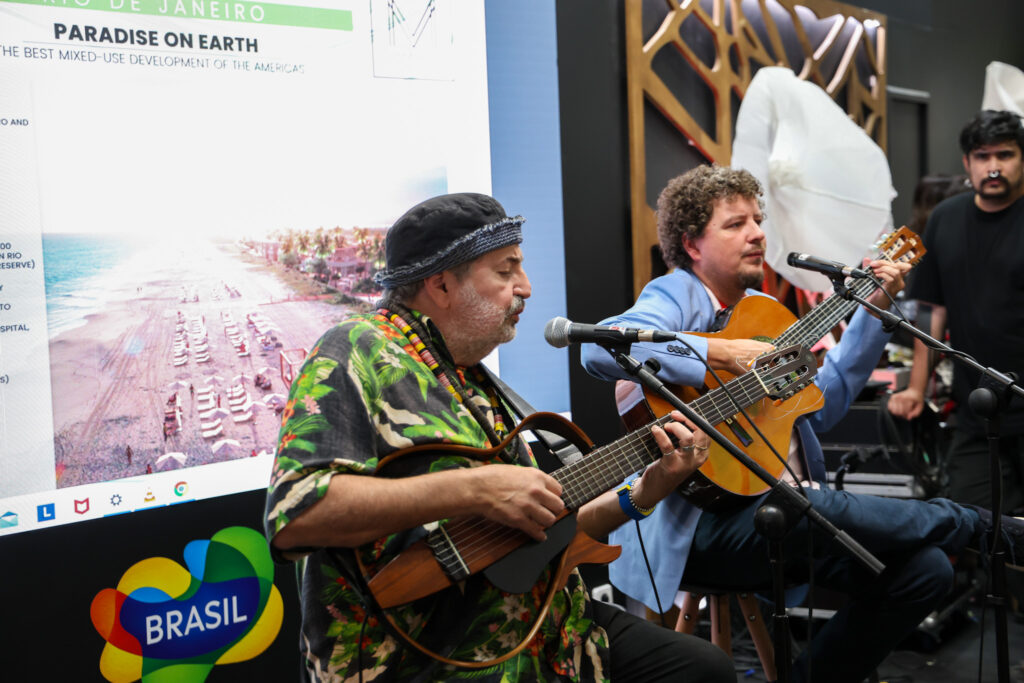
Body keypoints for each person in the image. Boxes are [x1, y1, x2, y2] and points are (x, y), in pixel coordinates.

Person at [263, 193, 735, 682]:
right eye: (506, 270)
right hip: (431, 658)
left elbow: (541, 535)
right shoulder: (355, 349)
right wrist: (478, 489)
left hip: (551, 632)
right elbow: (296, 515)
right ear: (442, 284)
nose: (526, 287)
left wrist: (647, 490)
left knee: (703, 669)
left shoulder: (471, 378)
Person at [580, 164, 1024, 683]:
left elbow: (823, 402)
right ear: (692, 243)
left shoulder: (766, 312)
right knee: (804, 503)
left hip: (771, 515)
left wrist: (875, 309)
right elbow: (604, 344)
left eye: (757, 219)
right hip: (694, 532)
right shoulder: (676, 295)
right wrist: (723, 353)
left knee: (925, 572)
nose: (757, 233)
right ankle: (983, 526)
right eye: (735, 224)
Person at [889, 110, 1024, 513]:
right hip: (979, 414)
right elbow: (933, 312)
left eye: (1005, 155)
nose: (994, 167)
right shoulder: (946, 219)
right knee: (974, 526)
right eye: (982, 156)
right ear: (967, 163)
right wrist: (915, 387)